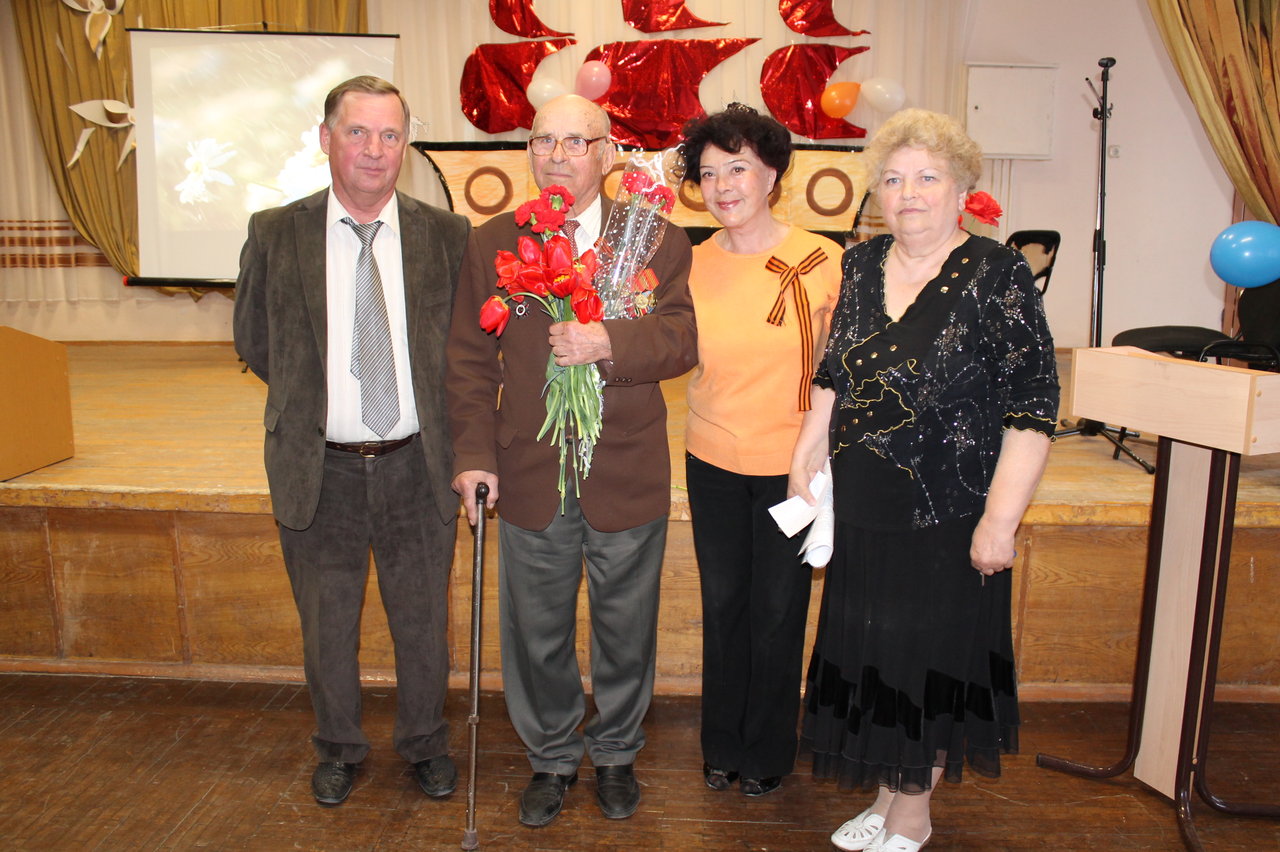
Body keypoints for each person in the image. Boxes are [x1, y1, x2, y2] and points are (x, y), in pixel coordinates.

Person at [788, 109, 1058, 852]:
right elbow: (835, 371)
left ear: (961, 189)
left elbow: (1034, 405)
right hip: (865, 506)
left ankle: (914, 812)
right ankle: (888, 793)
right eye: (893, 179)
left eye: (927, 178)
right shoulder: (861, 264)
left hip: (950, 510)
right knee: (877, 656)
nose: (908, 194)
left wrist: (999, 522)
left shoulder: (997, 273)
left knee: (931, 661)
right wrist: (807, 448)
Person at [446, 94, 696, 828]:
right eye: (542, 140)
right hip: (528, 470)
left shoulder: (653, 239)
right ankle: (552, 756)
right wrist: (473, 456)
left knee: (626, 629)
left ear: (607, 153)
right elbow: (468, 361)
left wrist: (608, 341)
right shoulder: (494, 241)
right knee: (536, 633)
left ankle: (615, 753)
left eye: (575, 141)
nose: (556, 155)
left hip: (626, 470)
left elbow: (680, 339)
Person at [233, 76, 470, 807]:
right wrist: (322, 405)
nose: (374, 149)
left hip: (417, 466)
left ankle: (425, 743)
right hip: (319, 468)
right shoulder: (275, 232)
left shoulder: (447, 235)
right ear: (326, 138)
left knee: (423, 623)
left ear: (406, 145)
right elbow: (255, 340)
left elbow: (466, 353)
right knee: (326, 626)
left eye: (390, 134)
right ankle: (338, 747)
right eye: (358, 132)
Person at [677, 104, 841, 797]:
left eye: (738, 168)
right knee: (724, 605)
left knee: (778, 611)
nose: (723, 186)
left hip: (792, 467)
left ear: (772, 173)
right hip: (712, 458)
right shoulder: (689, 264)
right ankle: (721, 745)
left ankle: (769, 751)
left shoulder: (823, 260)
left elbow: (844, 369)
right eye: (709, 173)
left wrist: (817, 453)